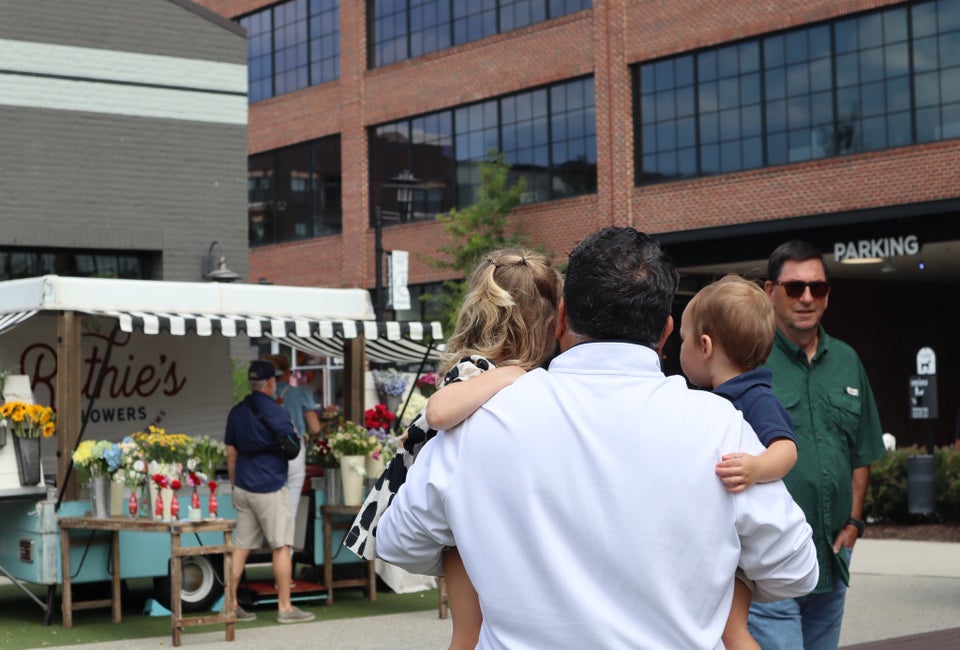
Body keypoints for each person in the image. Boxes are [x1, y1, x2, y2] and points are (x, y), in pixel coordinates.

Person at [377, 227, 818, 649]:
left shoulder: (483, 418)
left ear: (561, 318)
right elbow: (796, 568)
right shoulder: (719, 425)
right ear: (666, 331)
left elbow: (398, 539)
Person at [346, 248, 563, 650]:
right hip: (458, 530)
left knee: (472, 634)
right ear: (548, 324)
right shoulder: (481, 370)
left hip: (461, 527)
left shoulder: (484, 369)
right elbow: (440, 411)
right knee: (469, 635)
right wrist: (512, 374)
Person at [748, 240, 885, 650]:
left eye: (817, 287)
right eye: (795, 288)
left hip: (832, 560)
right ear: (770, 291)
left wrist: (854, 524)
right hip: (771, 566)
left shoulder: (847, 360)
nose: (807, 297)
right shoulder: (749, 359)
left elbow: (861, 451)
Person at [679, 274, 799, 650]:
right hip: (729, 541)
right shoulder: (719, 398)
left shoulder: (754, 396)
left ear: (704, 346)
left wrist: (756, 468)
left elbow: (787, 448)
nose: (678, 349)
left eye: (683, 339)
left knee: (733, 633)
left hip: (743, 552)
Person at [224, 360, 316, 624]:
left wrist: (235, 485)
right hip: (270, 486)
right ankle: (285, 607)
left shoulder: (237, 412)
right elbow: (293, 446)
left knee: (241, 547)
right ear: (271, 383)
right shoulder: (277, 412)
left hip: (243, 487)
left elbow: (231, 453)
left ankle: (230, 605)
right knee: (281, 545)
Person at [264, 353, 321, 544]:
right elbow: (315, 427)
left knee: (271, 508)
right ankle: (285, 553)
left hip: (268, 454)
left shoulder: (263, 396)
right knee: (291, 509)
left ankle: (273, 547)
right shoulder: (299, 393)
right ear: (287, 371)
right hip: (294, 451)